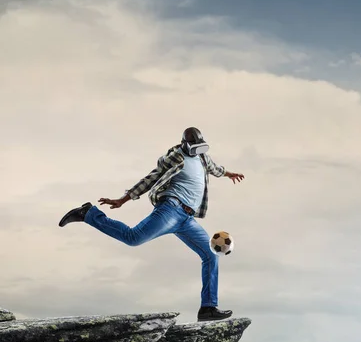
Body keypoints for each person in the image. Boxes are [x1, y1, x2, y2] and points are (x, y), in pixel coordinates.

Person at [58, 127, 245, 321]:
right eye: (193, 147)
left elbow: (215, 169)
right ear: (184, 144)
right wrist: (123, 200)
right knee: (133, 238)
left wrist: (229, 174)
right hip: (171, 210)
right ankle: (88, 214)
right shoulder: (175, 157)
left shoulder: (203, 157)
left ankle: (208, 308)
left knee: (210, 255)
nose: (196, 151)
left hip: (188, 219)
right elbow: (152, 177)